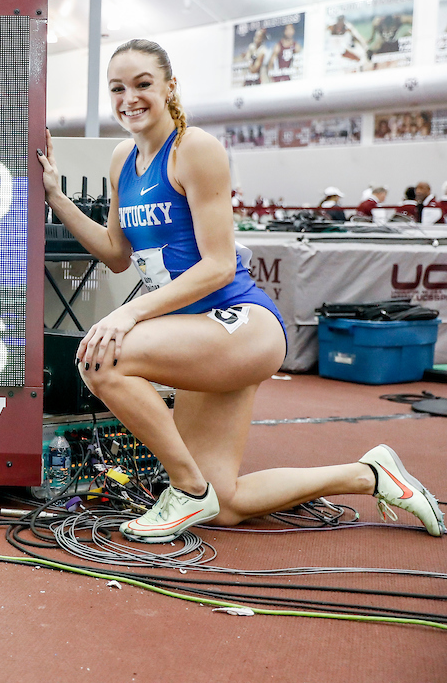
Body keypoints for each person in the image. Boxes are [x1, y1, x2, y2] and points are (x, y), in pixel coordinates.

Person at [34, 38, 443, 542]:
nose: (129, 98)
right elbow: (117, 253)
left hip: (240, 324)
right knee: (225, 504)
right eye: (118, 88)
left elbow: (219, 268)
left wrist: (128, 315)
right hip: (196, 334)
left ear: (169, 88)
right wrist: (57, 198)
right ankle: (371, 474)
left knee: (101, 359)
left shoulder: (195, 149)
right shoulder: (122, 159)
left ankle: (185, 491)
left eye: (143, 85)